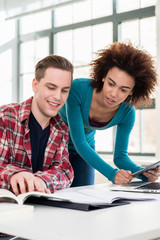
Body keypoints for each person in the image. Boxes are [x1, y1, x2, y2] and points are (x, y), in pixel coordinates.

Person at [59, 42, 160, 187]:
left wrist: (145, 174)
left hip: (84, 151)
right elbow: (79, 141)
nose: (113, 94)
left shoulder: (127, 112)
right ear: (103, 77)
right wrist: (112, 174)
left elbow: (120, 158)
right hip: (53, 146)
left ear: (132, 91)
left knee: (85, 197)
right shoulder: (78, 89)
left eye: (123, 90)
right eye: (111, 84)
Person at [0, 54, 74, 195]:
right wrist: (14, 175)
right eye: (51, 87)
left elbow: (65, 171)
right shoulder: (5, 116)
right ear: (35, 85)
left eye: (64, 90)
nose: (58, 97)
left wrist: (40, 180)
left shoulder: (61, 129)